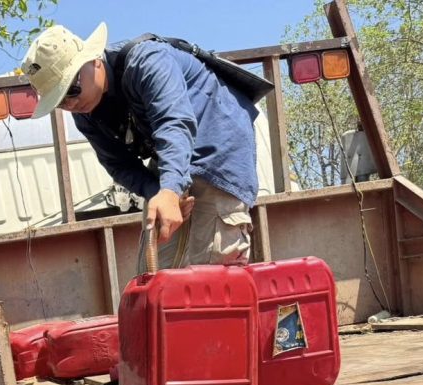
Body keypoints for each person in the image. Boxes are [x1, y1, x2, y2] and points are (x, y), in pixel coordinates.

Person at [22, 23, 260, 268]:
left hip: (219, 145)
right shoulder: (85, 114)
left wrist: (170, 189)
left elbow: (173, 122)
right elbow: (118, 164)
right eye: (60, 100)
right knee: (154, 271)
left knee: (214, 268)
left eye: (72, 89)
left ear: (93, 61)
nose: (70, 104)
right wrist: (158, 191)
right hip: (170, 154)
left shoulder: (147, 61)